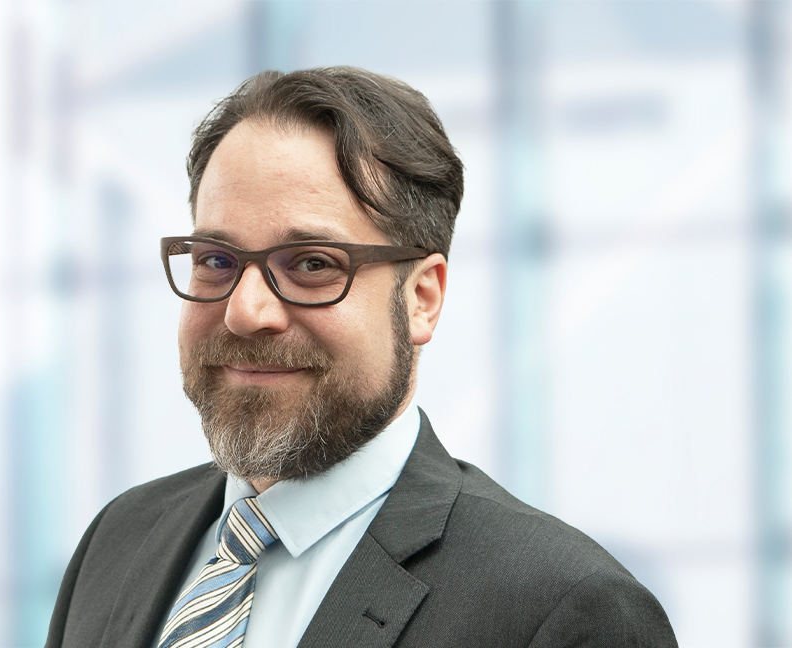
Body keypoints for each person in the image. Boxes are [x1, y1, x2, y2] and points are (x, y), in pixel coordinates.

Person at [45, 66, 677, 648]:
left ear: (422, 298)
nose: (246, 311)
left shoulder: (564, 610)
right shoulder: (118, 542)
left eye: (312, 264)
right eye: (216, 260)